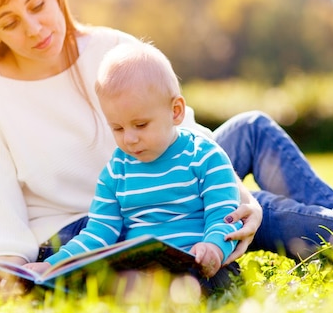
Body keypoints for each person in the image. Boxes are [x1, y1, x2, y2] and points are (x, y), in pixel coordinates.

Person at [0, 0, 333, 302]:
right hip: (95, 230)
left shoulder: (110, 48)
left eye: (37, 5)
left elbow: (183, 134)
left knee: (251, 131)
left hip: (169, 174)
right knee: (269, 213)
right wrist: (13, 274)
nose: (34, 28)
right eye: (10, 22)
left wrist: (236, 198)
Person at [23, 41, 243, 295]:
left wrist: (213, 248)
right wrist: (51, 265)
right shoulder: (116, 172)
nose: (129, 138)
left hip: (200, 265)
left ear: (176, 111)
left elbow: (225, 216)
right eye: (117, 128)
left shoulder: (205, 157)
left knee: (190, 285)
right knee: (99, 278)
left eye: (140, 125)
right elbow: (97, 233)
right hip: (140, 270)